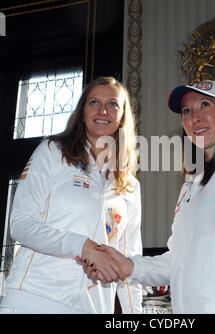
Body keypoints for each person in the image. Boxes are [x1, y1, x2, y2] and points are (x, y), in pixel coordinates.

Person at [85, 80, 215, 314]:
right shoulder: (191, 186)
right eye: (186, 111)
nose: (194, 117)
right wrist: (128, 265)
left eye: (205, 105)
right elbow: (177, 261)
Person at [0, 76, 143, 314]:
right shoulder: (53, 151)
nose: (103, 110)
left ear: (123, 117)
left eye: (113, 104)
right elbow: (20, 224)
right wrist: (81, 246)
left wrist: (133, 315)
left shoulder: (129, 185)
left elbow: (130, 262)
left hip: (94, 308)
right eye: (94, 102)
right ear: (82, 111)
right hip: (35, 298)